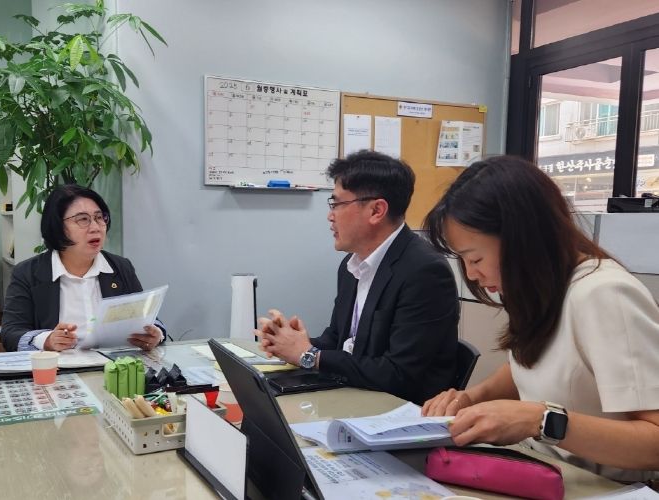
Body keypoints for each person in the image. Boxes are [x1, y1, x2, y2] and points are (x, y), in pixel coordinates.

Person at [421, 155, 659, 482]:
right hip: (544, 472)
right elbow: (532, 364)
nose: (472, 275)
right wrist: (469, 398)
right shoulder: (545, 289)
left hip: (604, 488)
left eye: (474, 259)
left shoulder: (603, 295)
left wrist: (541, 420)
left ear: (522, 239)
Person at [258, 150, 459, 404]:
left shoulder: (425, 272)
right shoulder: (352, 265)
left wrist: (308, 355)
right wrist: (292, 343)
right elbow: (338, 339)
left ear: (376, 210)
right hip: (354, 398)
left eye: (337, 204)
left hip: (399, 410)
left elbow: (398, 374)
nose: (330, 216)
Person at [0, 184, 165, 352]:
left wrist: (156, 334)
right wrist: (46, 340)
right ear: (57, 226)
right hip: (59, 367)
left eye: (99, 218)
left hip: (114, 364)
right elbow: (10, 333)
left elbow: (147, 319)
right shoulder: (27, 273)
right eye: (83, 219)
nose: (96, 227)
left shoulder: (120, 267)